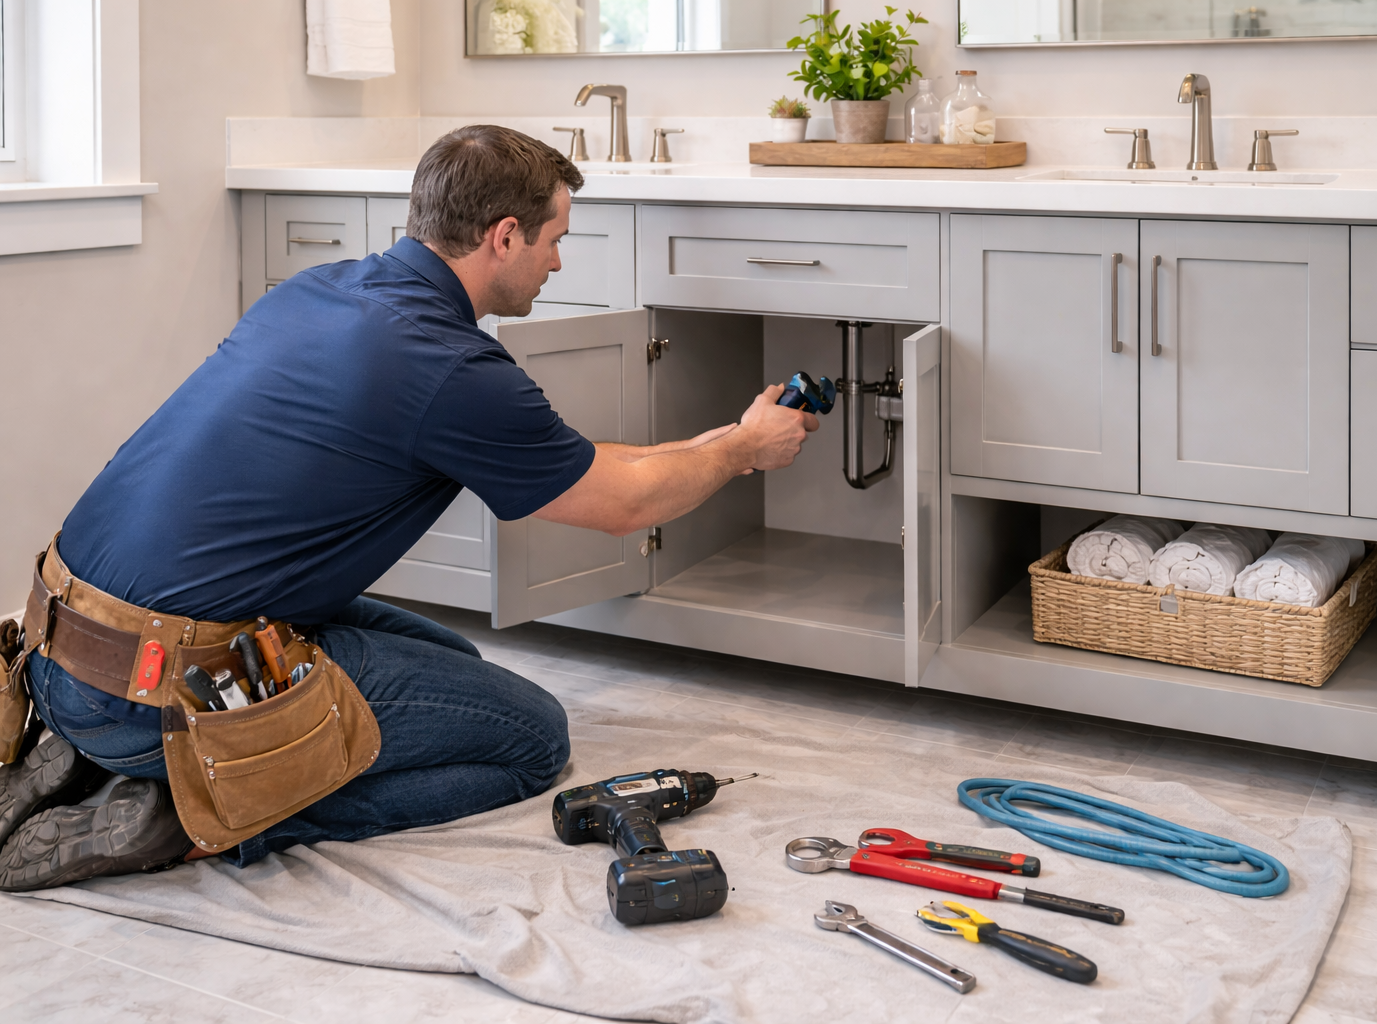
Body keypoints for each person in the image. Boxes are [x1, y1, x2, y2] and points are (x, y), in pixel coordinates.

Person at [0, 124, 817, 890]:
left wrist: (722, 439)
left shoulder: (318, 293)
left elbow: (587, 463)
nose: (558, 264)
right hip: (157, 690)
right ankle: (195, 815)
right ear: (504, 236)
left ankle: (101, 757)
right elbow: (621, 505)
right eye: (555, 239)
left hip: (61, 647)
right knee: (531, 739)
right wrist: (744, 453)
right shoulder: (450, 366)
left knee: (457, 676)